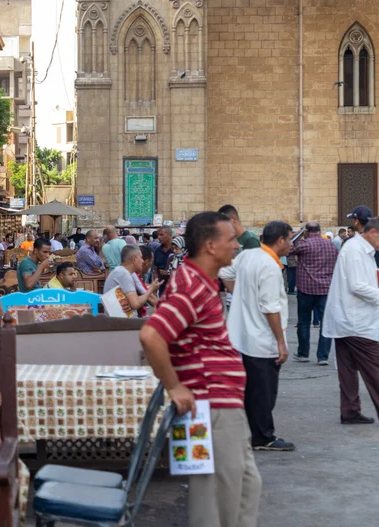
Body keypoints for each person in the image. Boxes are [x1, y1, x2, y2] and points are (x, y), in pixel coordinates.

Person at [140, 211, 261, 527]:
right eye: (230, 239)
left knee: (244, 489)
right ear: (210, 246)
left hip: (219, 408)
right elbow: (151, 335)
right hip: (211, 409)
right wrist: (175, 386)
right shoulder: (192, 285)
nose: (237, 245)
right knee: (216, 507)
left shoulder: (197, 281)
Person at [220, 221, 295, 452]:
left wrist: (241, 296)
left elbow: (224, 271)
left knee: (253, 390)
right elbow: (270, 308)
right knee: (264, 392)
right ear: (280, 240)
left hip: (244, 336)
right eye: (290, 239)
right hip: (262, 339)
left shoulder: (248, 256)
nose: (291, 245)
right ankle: (263, 436)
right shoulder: (269, 266)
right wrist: (281, 342)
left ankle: (253, 433)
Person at [322, 216, 379, 425]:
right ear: (373, 233)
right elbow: (358, 285)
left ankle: (350, 411)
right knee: (374, 369)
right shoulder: (355, 250)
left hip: (347, 319)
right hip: (356, 322)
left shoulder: (361, 250)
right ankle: (350, 410)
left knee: (347, 369)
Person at [288, 221, 338, 364]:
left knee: (304, 321)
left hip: (306, 289)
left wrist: (298, 234)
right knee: (325, 323)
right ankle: (323, 356)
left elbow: (288, 249)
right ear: (320, 230)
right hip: (325, 289)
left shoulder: (303, 245)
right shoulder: (331, 245)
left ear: (307, 231)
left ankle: (303, 353)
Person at [103, 245, 162, 316]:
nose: (143, 261)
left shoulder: (122, 271)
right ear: (134, 259)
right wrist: (151, 289)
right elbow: (135, 304)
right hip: (121, 323)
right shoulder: (123, 274)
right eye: (141, 257)